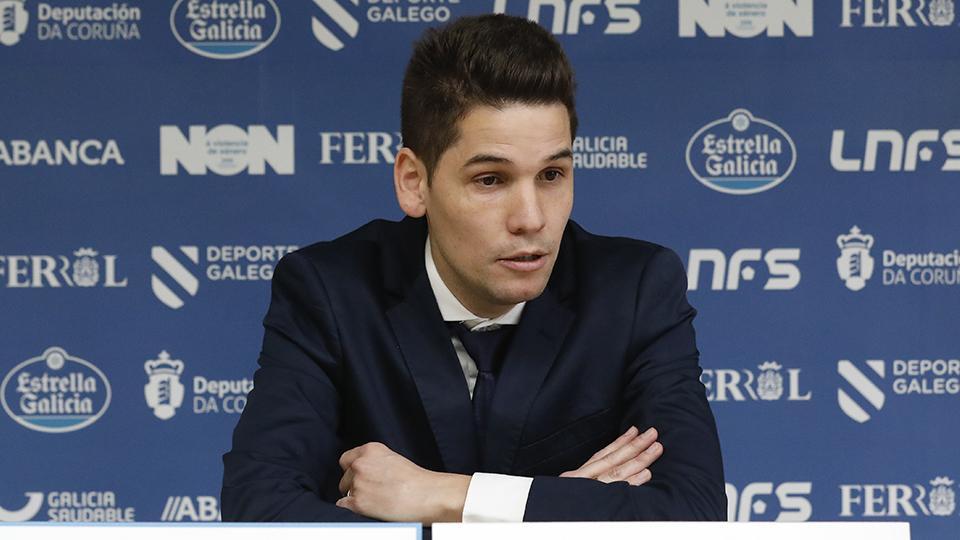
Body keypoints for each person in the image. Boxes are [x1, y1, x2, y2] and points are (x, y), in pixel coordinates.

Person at [221, 14, 725, 525]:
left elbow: (694, 514)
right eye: (490, 180)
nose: (531, 219)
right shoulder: (330, 291)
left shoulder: (635, 290)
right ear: (414, 182)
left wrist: (447, 498)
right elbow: (258, 511)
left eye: (552, 174)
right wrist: (561, 506)